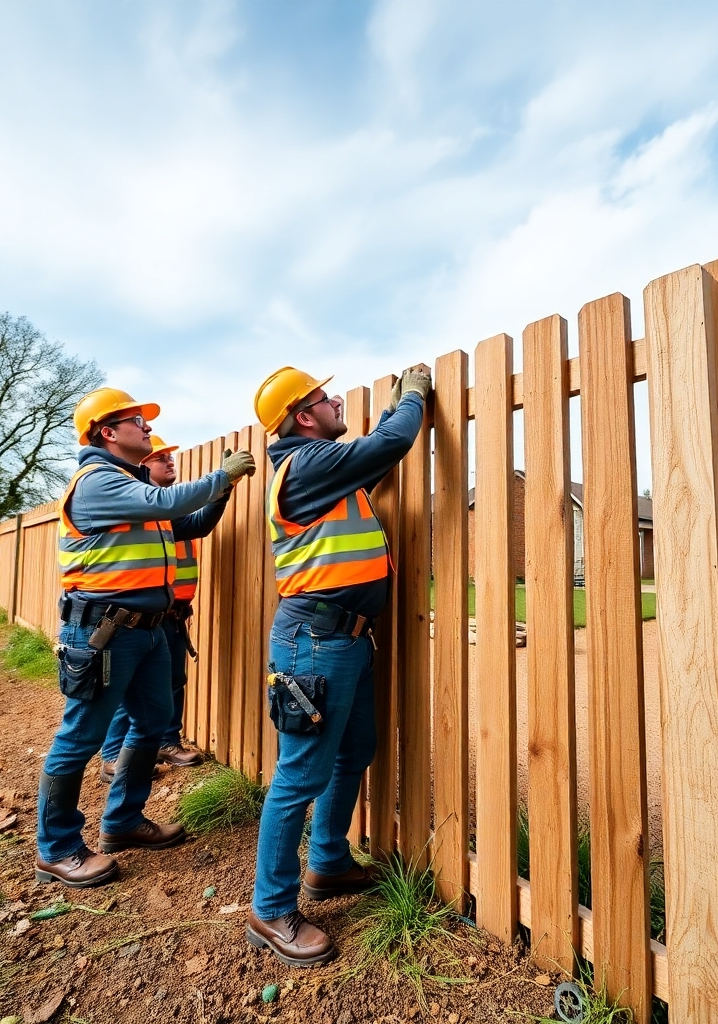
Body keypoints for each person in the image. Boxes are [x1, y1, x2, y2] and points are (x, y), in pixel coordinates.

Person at [246, 364, 432, 965]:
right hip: (315, 642)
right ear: (304, 416)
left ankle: (326, 864)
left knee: (355, 753)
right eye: (324, 398)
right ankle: (270, 909)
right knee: (299, 774)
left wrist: (386, 422)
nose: (333, 402)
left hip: (342, 640)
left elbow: (376, 456)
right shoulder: (304, 465)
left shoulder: (325, 470)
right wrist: (412, 398)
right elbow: (393, 443)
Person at [34, 387, 255, 888]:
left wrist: (221, 489)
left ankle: (123, 823)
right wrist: (221, 475)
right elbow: (169, 499)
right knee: (80, 737)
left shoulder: (129, 488)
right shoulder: (97, 483)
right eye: (138, 421)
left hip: (148, 630)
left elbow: (190, 522)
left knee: (153, 723)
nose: (149, 428)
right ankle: (57, 848)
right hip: (103, 630)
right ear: (107, 432)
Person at [99, 434, 229, 781]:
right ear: (143, 467)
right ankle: (113, 755)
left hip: (171, 614)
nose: (170, 462)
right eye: (161, 458)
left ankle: (166, 743)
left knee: (171, 682)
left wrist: (223, 490)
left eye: (171, 457)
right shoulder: (140, 509)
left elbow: (198, 524)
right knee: (130, 690)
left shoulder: (167, 515)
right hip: (137, 618)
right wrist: (220, 481)